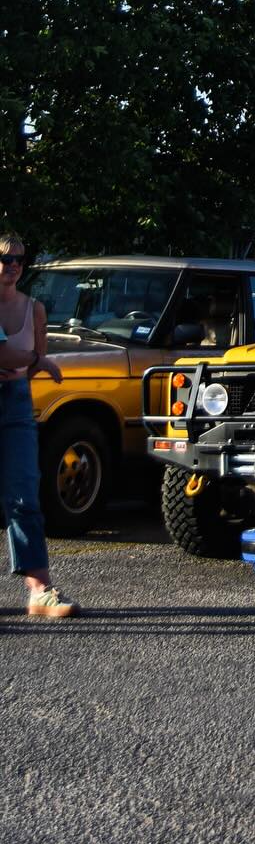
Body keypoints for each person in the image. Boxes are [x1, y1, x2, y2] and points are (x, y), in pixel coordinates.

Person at [0, 233, 80, 619]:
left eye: (19, 259)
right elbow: (14, 355)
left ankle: (40, 590)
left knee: (24, 495)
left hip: (16, 402)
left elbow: (28, 363)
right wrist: (35, 359)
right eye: (5, 258)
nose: (13, 265)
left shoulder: (35, 310)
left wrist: (29, 362)